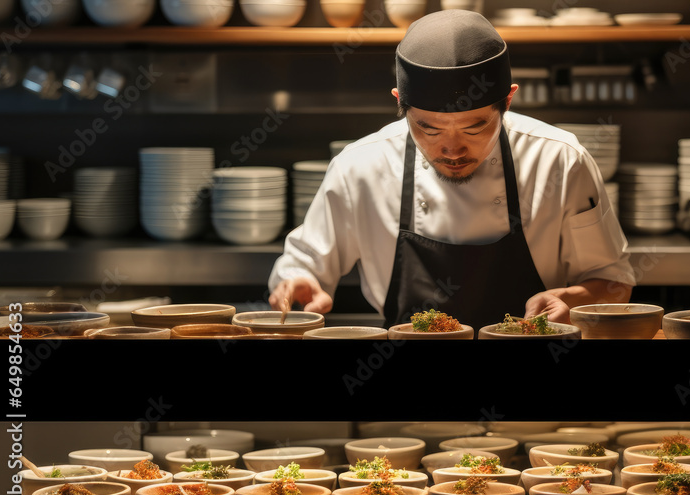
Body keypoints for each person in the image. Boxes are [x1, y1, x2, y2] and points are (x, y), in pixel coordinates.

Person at [268, 9, 634, 328]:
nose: (452, 148)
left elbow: (613, 281)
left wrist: (570, 302)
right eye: (428, 127)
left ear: (508, 100)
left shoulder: (559, 160)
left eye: (476, 127)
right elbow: (305, 265)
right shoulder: (360, 166)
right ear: (400, 103)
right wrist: (298, 281)